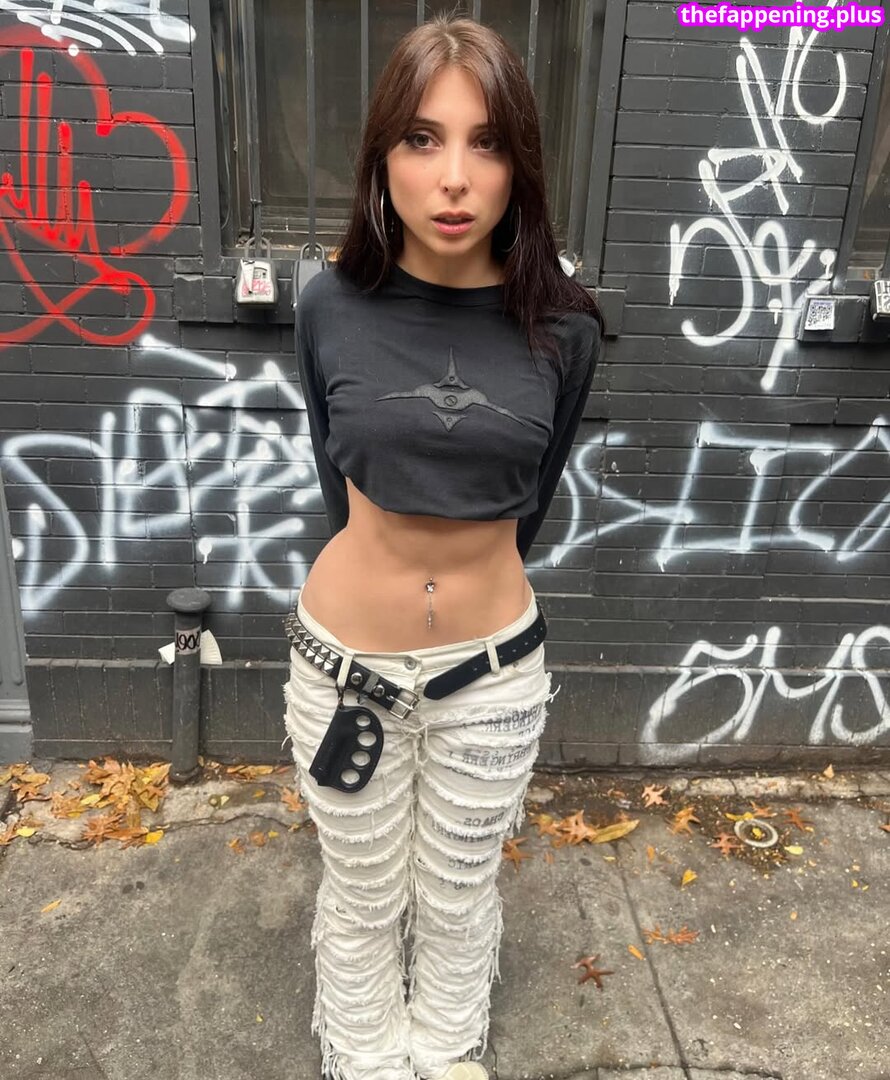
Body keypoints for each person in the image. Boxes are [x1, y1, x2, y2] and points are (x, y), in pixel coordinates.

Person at [282, 12, 604, 1080]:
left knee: (460, 894)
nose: (454, 177)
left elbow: (531, 496)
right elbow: (338, 477)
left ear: (522, 164)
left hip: (493, 674)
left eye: (486, 142)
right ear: (382, 156)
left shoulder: (564, 327)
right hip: (344, 670)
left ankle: (448, 1048)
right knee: (361, 893)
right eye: (422, 139)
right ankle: (364, 1054)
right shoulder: (330, 304)